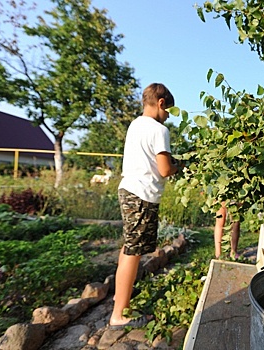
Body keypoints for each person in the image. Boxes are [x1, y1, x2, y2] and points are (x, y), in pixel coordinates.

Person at [109, 83, 179, 329]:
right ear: (160, 103)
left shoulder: (136, 124)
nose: (169, 114)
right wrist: (179, 165)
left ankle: (121, 295)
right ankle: (119, 315)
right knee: (133, 252)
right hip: (142, 195)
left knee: (129, 246)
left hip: (128, 189)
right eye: (169, 109)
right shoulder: (159, 129)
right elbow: (164, 169)